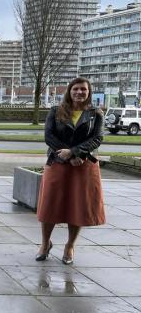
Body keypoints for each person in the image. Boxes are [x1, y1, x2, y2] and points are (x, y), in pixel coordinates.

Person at [35, 77, 105, 265]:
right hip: (58, 162)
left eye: (83, 89)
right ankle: (44, 244)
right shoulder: (56, 111)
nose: (79, 92)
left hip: (83, 165)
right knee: (50, 205)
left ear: (89, 92)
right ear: (69, 91)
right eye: (76, 89)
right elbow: (49, 136)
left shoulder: (95, 113)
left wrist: (75, 152)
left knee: (77, 206)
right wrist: (66, 153)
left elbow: (97, 138)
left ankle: (70, 246)